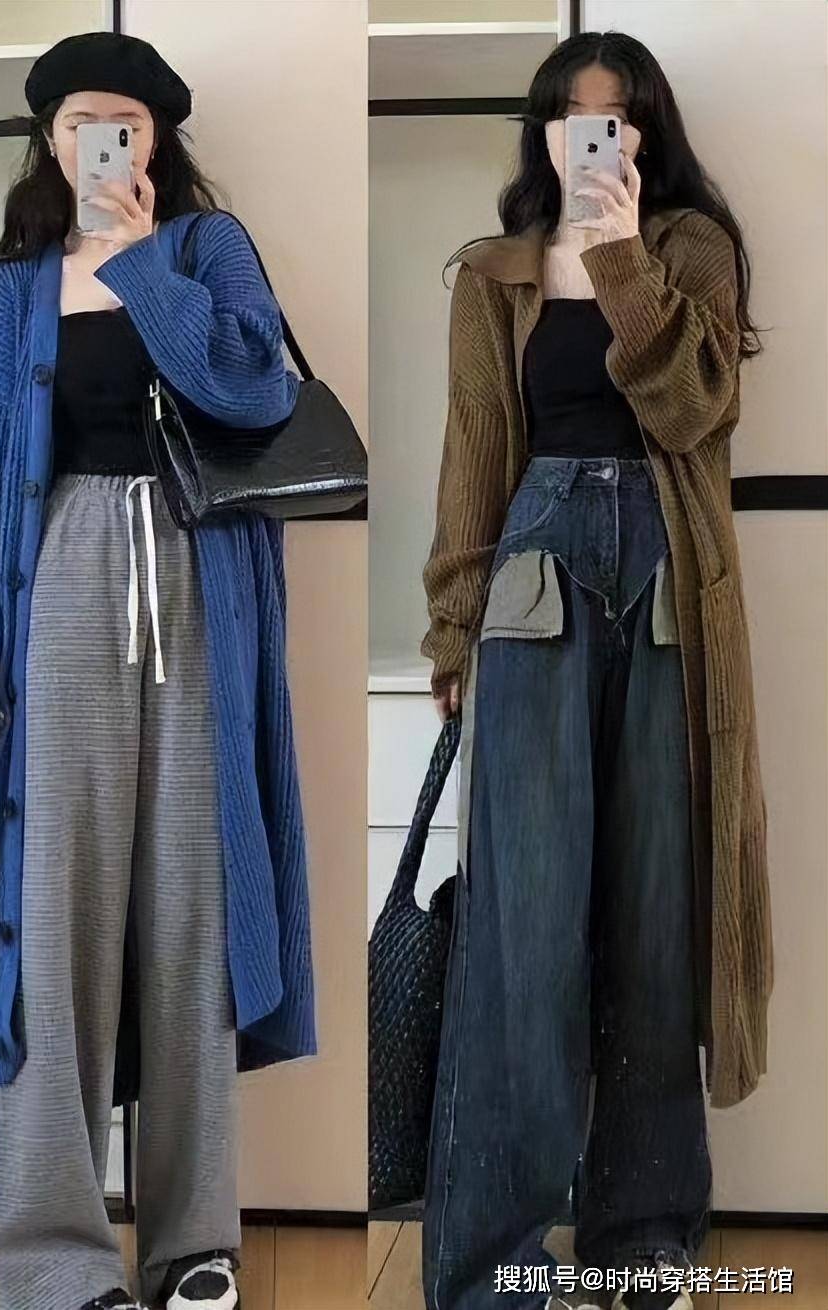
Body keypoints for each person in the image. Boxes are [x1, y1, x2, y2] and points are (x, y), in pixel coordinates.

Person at [0, 31, 315, 1310]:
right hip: (62, 576)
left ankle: (194, 1241)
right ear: (47, 137)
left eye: (127, 121)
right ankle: (51, 1257)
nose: (101, 140)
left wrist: (144, 260)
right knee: (54, 913)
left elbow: (255, 391)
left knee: (193, 908)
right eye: (79, 120)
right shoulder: (10, 289)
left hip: (200, 577)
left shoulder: (208, 249)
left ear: (158, 137)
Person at [418, 31, 770, 1310]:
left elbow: (695, 414)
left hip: (675, 593)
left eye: (618, 118)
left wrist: (619, 256)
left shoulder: (692, 252)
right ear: (544, 130)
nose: (595, 136)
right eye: (574, 116)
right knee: (522, 930)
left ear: (648, 132)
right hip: (532, 585)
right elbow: (475, 451)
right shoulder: (494, 272)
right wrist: (452, 629)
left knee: (657, 920)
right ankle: (493, 1266)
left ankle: (646, 1237)